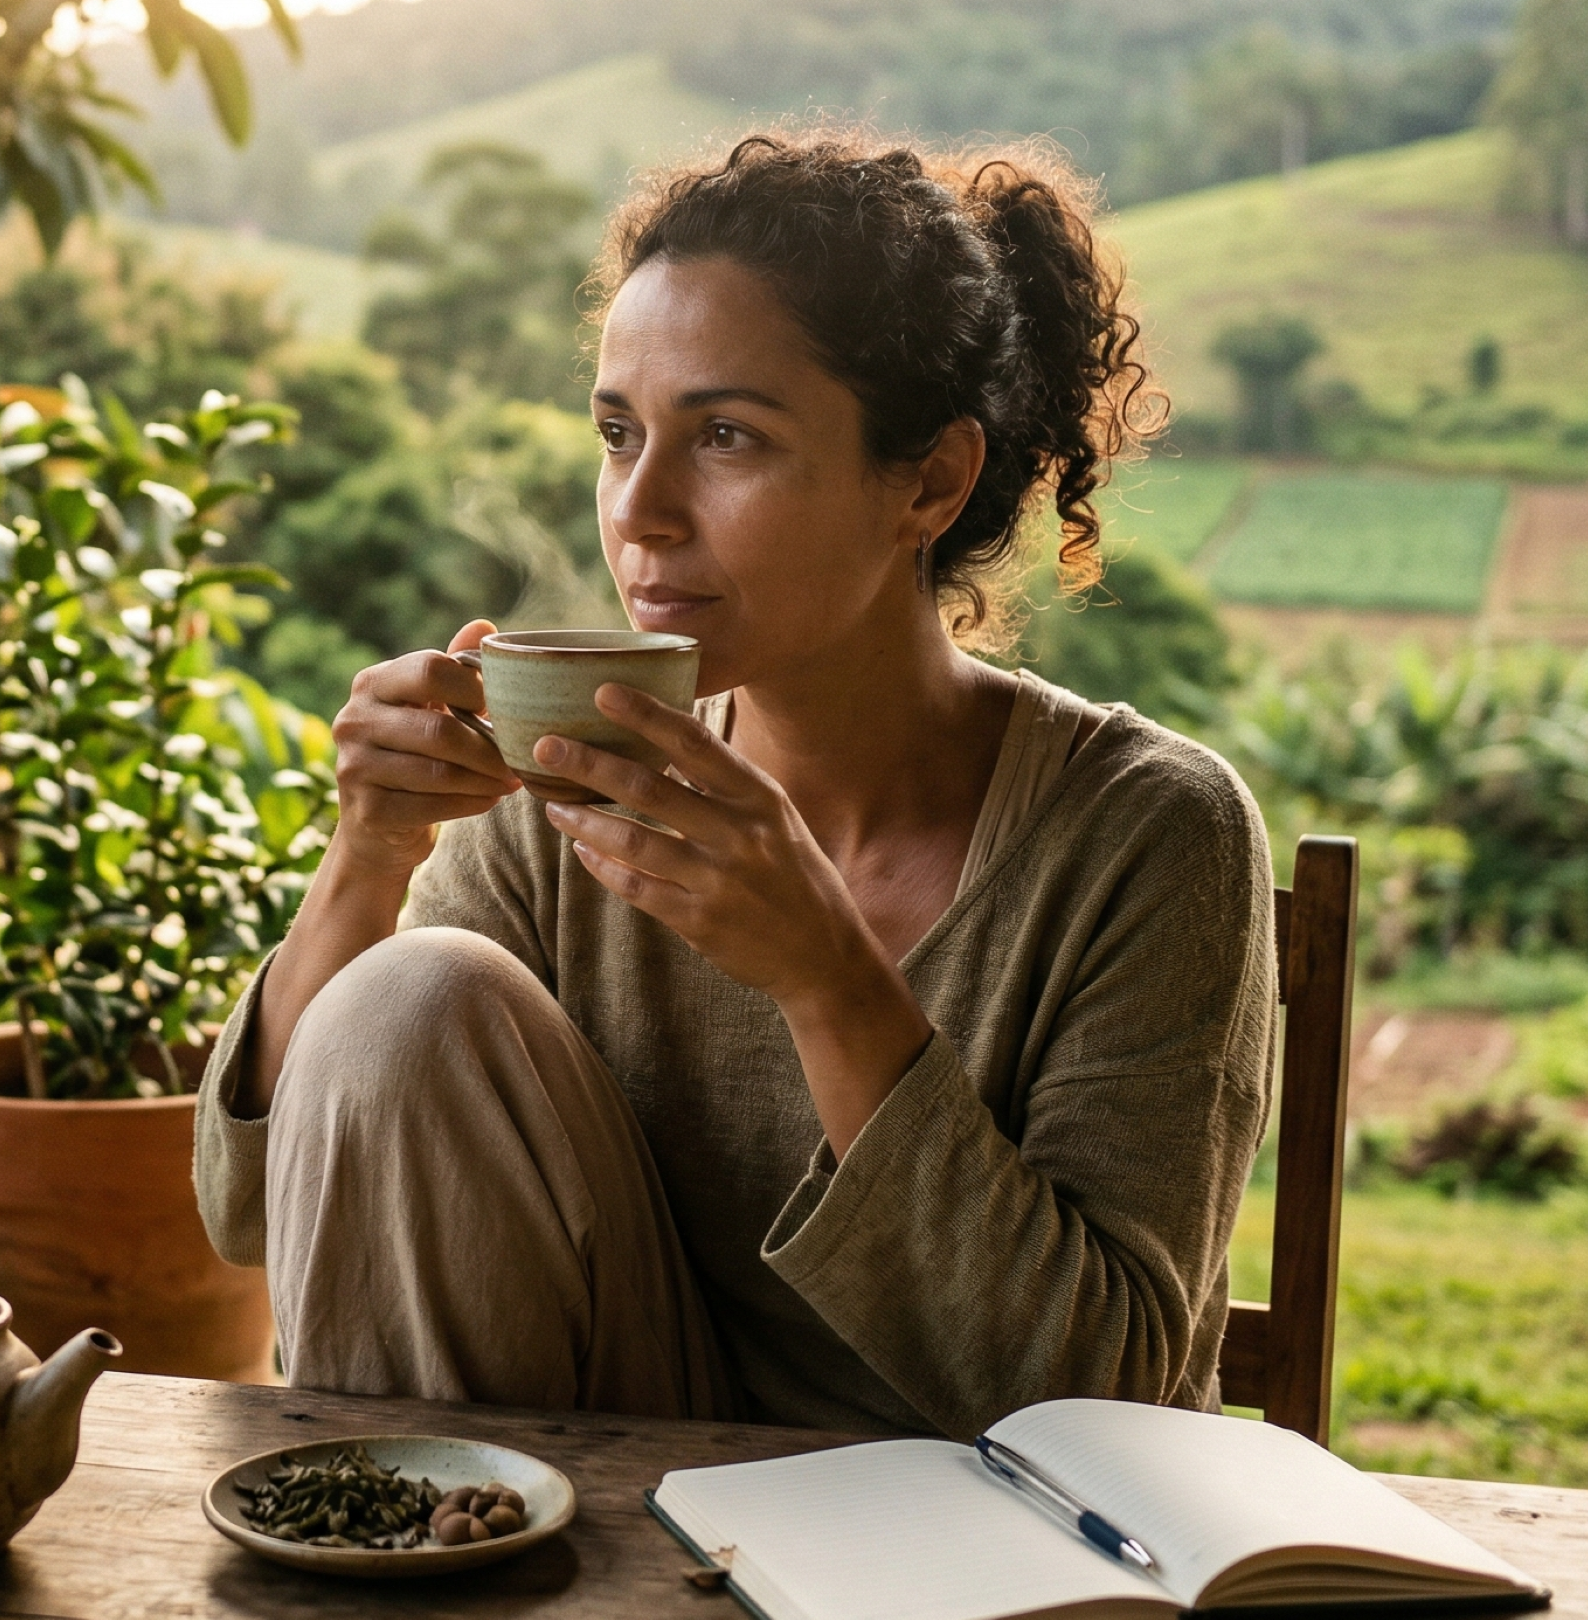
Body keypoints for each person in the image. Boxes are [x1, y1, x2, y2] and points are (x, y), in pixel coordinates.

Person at [192, 129, 1275, 1439]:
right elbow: (249, 1218)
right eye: (618, 434)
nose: (639, 509)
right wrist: (368, 858)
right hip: (601, 1515)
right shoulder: (568, 789)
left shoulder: (1147, 831)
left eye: (726, 437)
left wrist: (829, 981)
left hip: (982, 1528)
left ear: (931, 480)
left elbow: (1106, 1401)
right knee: (407, 995)